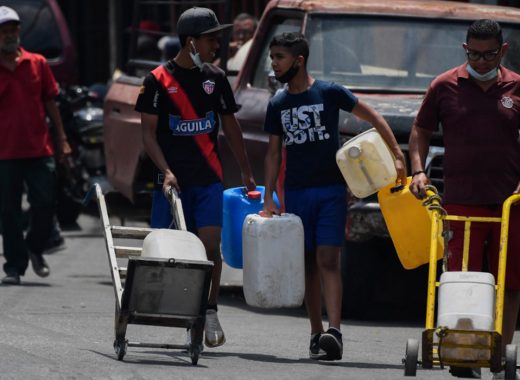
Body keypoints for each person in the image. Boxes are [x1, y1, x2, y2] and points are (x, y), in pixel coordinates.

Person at [262, 32, 406, 361]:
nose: (274, 64)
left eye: (279, 58)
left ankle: (335, 331)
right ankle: (316, 332)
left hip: (330, 192)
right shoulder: (278, 103)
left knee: (329, 259)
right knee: (309, 264)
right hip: (296, 194)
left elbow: (375, 118)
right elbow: (272, 155)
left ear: (298, 61)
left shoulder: (329, 92)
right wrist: (269, 199)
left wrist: (397, 155)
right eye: (272, 58)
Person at [135, 7, 256, 348]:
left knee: (209, 246)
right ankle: (171, 306)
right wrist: (167, 171)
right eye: (210, 39)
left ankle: (210, 309)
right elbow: (148, 136)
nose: (217, 45)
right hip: (172, 182)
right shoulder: (156, 80)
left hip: (208, 179)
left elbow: (230, 128)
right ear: (191, 43)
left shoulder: (216, 79)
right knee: (166, 250)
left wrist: (246, 171)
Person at [408, 19, 520, 379]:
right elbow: (420, 131)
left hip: (510, 202)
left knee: (510, 280)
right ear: (465, 50)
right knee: (462, 278)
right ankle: (462, 349)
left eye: (489, 55)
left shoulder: (517, 86)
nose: (482, 61)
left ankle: (502, 354)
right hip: (461, 200)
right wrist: (418, 171)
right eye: (475, 54)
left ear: (502, 51)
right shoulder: (444, 85)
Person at [0, 6, 71, 285]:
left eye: (13, 30)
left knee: (45, 203)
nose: (9, 35)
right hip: (4, 152)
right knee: (9, 211)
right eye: (4, 31)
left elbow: (51, 102)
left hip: (38, 148)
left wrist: (62, 138)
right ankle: (14, 266)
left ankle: (35, 247)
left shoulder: (37, 63)